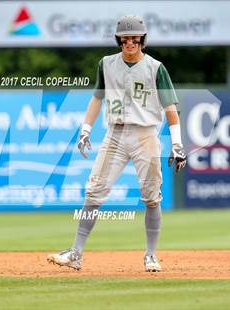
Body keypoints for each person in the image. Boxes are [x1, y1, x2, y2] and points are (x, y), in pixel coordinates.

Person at [47, 15, 186, 272]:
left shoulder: (156, 68)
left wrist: (177, 144)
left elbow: (170, 108)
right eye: (125, 38)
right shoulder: (106, 64)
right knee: (93, 192)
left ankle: (151, 255)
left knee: (152, 198)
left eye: (135, 37)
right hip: (115, 133)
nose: (130, 42)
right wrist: (85, 130)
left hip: (145, 134)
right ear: (119, 40)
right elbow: (97, 99)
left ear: (142, 40)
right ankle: (76, 253)